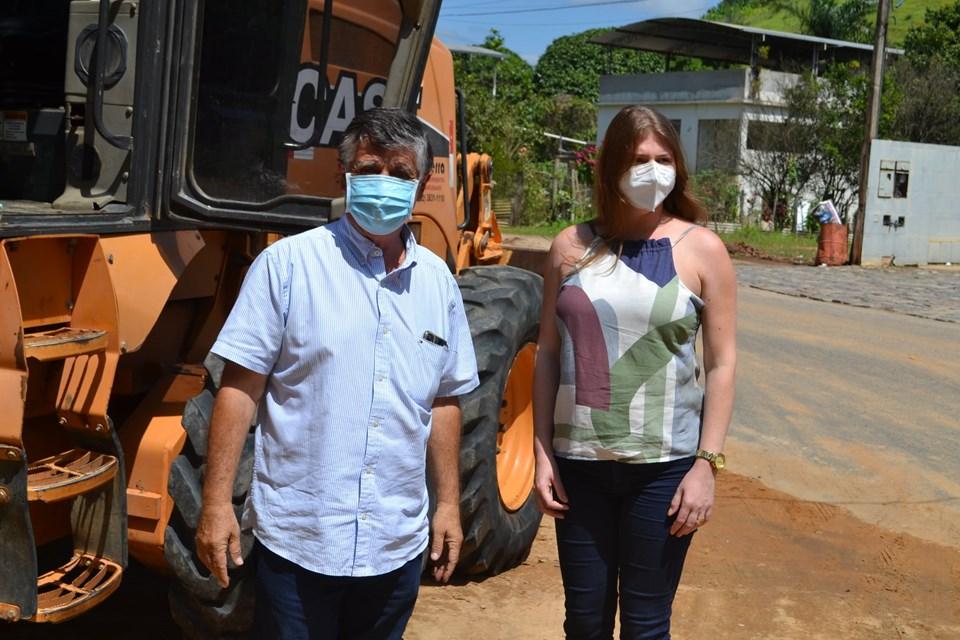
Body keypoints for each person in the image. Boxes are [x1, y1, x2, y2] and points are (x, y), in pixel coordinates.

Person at [194, 107, 479, 639]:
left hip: (395, 545)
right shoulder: (289, 266)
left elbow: (444, 400)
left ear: (420, 187)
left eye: (401, 174)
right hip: (301, 542)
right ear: (345, 175)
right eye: (371, 169)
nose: (384, 184)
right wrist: (215, 505)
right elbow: (239, 389)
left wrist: (447, 506)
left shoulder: (438, 282)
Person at [533, 105, 737, 639]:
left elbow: (721, 363)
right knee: (584, 622)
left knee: (647, 625)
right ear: (610, 168)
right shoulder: (569, 247)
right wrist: (540, 452)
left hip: (664, 468)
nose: (652, 170)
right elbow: (548, 352)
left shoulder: (703, 250)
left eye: (662, 158)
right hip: (578, 465)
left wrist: (706, 465)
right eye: (638, 158)